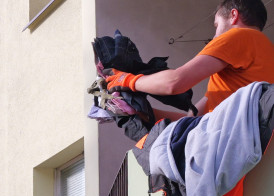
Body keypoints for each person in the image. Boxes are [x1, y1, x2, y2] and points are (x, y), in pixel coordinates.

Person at [107, 0, 274, 117]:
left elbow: (175, 82)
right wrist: (140, 112)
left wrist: (126, 80)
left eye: (216, 25)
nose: (215, 35)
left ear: (234, 15)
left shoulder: (240, 35)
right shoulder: (264, 54)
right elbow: (192, 121)